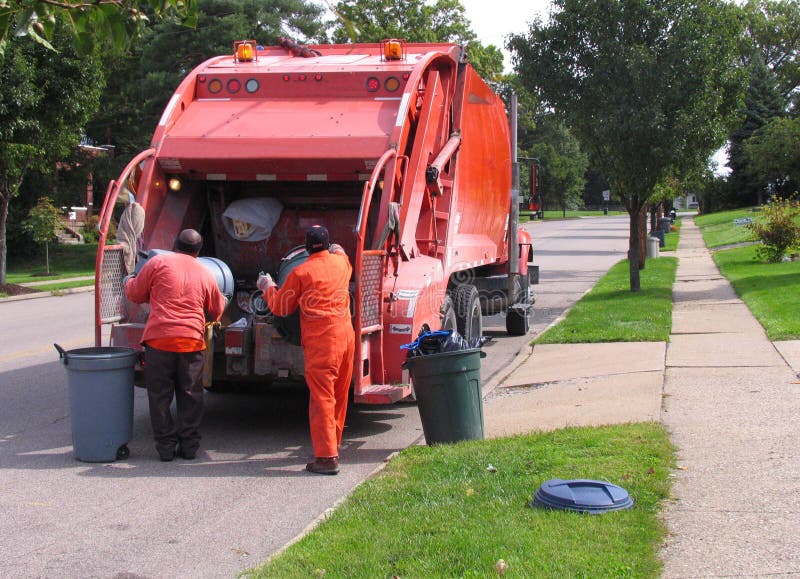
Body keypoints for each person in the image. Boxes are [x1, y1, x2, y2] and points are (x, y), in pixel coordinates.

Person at [258, 225, 355, 475]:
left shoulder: (301, 272)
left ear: (306, 246)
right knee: (339, 395)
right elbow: (343, 254)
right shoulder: (342, 264)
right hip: (346, 337)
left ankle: (326, 458)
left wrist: (267, 285)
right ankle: (333, 446)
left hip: (322, 342)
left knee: (322, 398)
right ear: (327, 244)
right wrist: (338, 249)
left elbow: (280, 307)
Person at [124, 229, 226, 462]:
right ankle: (189, 447)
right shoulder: (206, 272)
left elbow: (136, 293)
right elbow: (217, 309)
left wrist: (129, 281)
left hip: (159, 341)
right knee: (191, 394)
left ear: (174, 244)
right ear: (199, 251)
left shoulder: (158, 262)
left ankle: (166, 448)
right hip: (191, 341)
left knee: (159, 396)